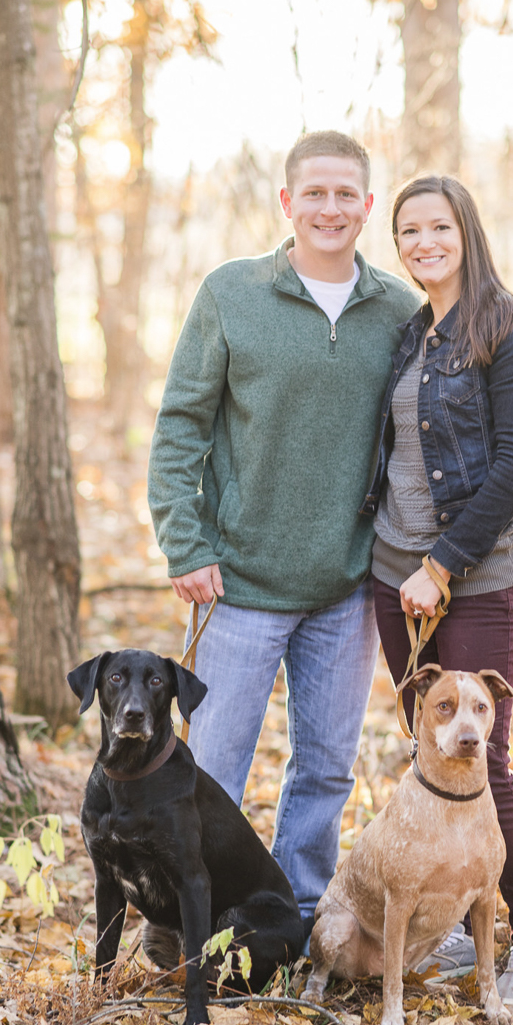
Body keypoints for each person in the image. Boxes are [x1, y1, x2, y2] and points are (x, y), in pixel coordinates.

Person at [147, 132, 417, 939]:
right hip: (239, 584)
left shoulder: (400, 311)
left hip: (345, 587)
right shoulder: (232, 294)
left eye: (347, 196)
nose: (330, 209)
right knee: (208, 770)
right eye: (316, 194)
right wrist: (185, 543)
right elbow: (180, 427)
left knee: (325, 771)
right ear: (287, 202)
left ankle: (296, 918)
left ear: (368, 208)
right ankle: (179, 921)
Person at [361, 175, 513, 1005]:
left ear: (465, 231)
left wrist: (441, 564)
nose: (422, 244)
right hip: (393, 576)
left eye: (438, 227)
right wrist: (402, 563)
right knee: (429, 757)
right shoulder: (412, 333)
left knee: (487, 762)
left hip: (474, 579)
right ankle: (454, 929)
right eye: (408, 231)